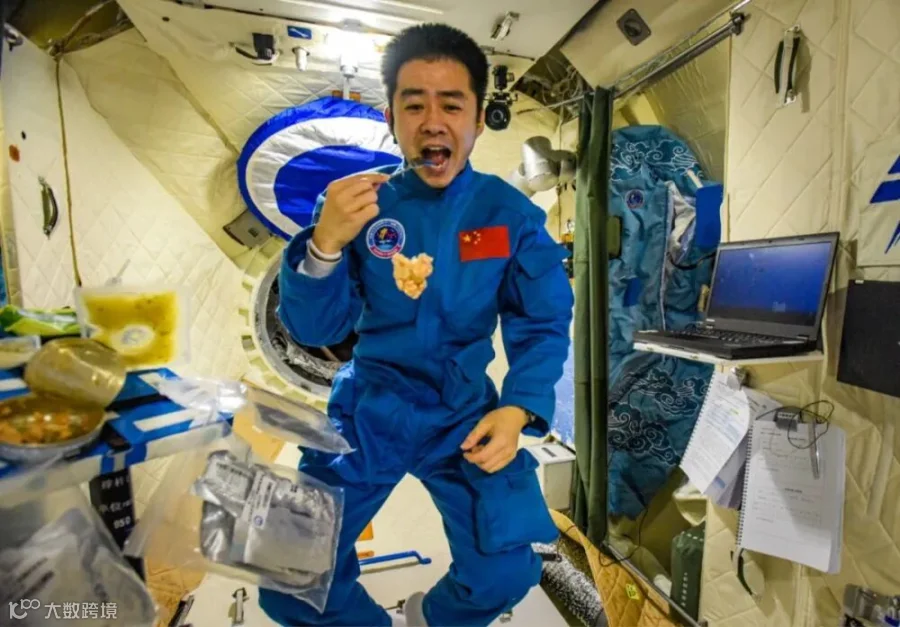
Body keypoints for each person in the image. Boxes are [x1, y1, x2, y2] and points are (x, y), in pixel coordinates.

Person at [259, 22, 574, 627]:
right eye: (414, 105)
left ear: (478, 120)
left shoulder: (508, 216)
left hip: (463, 414)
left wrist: (516, 410)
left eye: (451, 105)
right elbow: (315, 328)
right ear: (391, 118)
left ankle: (428, 616)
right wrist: (324, 245)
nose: (433, 122)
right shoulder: (358, 207)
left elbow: (542, 320)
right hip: (368, 409)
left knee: (505, 572)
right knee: (289, 579)